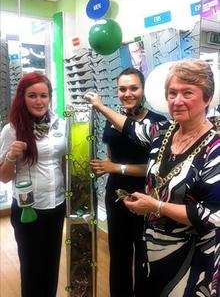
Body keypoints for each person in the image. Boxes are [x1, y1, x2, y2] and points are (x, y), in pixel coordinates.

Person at [85, 59, 220, 297]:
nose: (177, 101)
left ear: (207, 98)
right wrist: (100, 106)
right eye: (172, 93)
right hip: (154, 251)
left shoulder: (215, 148)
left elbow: (212, 216)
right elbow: (130, 127)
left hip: (191, 260)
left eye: (187, 93)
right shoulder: (164, 133)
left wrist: (155, 205)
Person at [90, 68, 166, 297]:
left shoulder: (158, 123)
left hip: (146, 197)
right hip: (115, 196)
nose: (128, 93)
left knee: (144, 255)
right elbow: (112, 156)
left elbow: (155, 170)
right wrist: (104, 167)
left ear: (143, 90)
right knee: (119, 255)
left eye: (134, 88)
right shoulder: (111, 120)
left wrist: (115, 167)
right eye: (122, 89)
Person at [0, 72, 66, 297]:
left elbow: (65, 162)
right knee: (31, 268)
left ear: (50, 98)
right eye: (32, 95)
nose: (39, 101)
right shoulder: (12, 130)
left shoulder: (60, 125)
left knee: (51, 265)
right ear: (22, 97)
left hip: (56, 206)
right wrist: (10, 156)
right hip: (28, 210)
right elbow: (4, 177)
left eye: (44, 96)